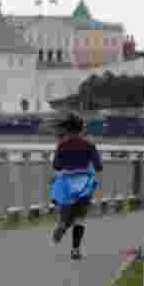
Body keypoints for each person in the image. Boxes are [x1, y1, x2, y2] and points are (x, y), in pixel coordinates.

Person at [48, 111, 103, 260]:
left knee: (66, 211)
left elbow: (57, 166)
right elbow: (98, 166)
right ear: (81, 128)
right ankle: (75, 250)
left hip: (66, 182)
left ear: (67, 128)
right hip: (84, 182)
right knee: (80, 217)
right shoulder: (89, 145)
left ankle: (62, 226)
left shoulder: (62, 145)